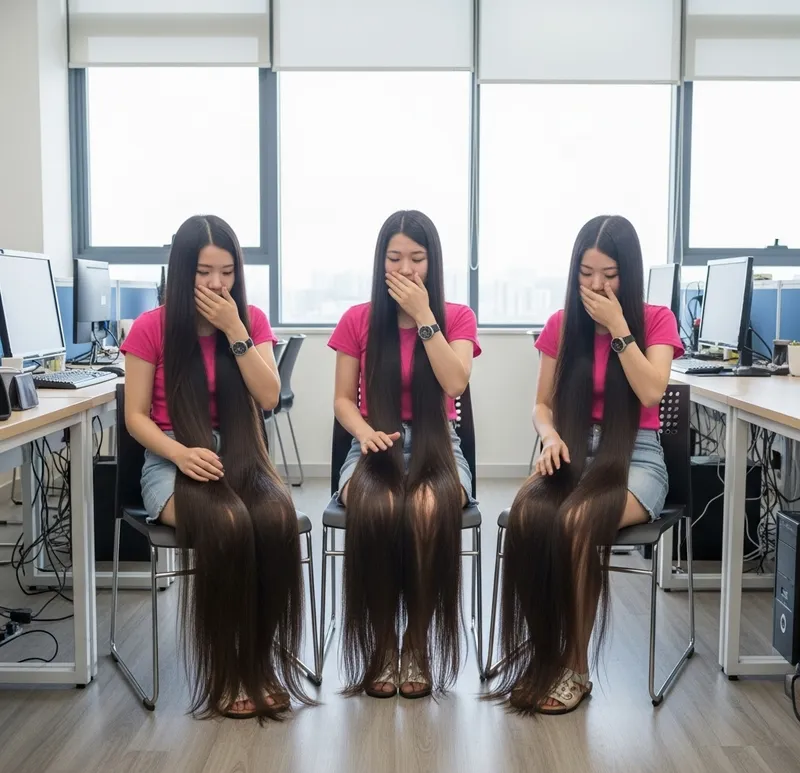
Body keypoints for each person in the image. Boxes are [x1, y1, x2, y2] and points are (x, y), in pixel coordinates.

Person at [489, 215, 684, 715]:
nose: (597, 285)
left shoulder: (657, 319)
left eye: (610, 274)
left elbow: (651, 391)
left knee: (578, 522)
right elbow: (541, 406)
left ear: (630, 274)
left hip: (636, 458)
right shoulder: (561, 326)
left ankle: (575, 668)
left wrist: (620, 329)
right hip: (574, 454)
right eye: (586, 272)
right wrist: (549, 436)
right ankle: (541, 651)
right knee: (530, 515)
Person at [121, 214, 310, 721]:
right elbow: (135, 416)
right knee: (227, 525)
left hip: (242, 456)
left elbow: (269, 396)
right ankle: (228, 668)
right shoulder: (151, 328)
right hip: (173, 459)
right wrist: (180, 454)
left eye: (226, 271)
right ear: (183, 271)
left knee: (273, 521)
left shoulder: (251, 320)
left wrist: (234, 330)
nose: (216, 284)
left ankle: (262, 661)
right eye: (204, 271)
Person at [328, 210, 481, 699]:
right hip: (374, 444)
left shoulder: (455, 317)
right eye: (395, 258)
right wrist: (364, 431)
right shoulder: (358, 319)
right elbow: (341, 401)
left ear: (433, 264)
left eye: (417, 259)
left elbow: (455, 382)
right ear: (380, 262)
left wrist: (424, 318)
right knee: (379, 508)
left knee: (425, 511)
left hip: (439, 446)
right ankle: (381, 646)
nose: (406, 269)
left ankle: (416, 644)